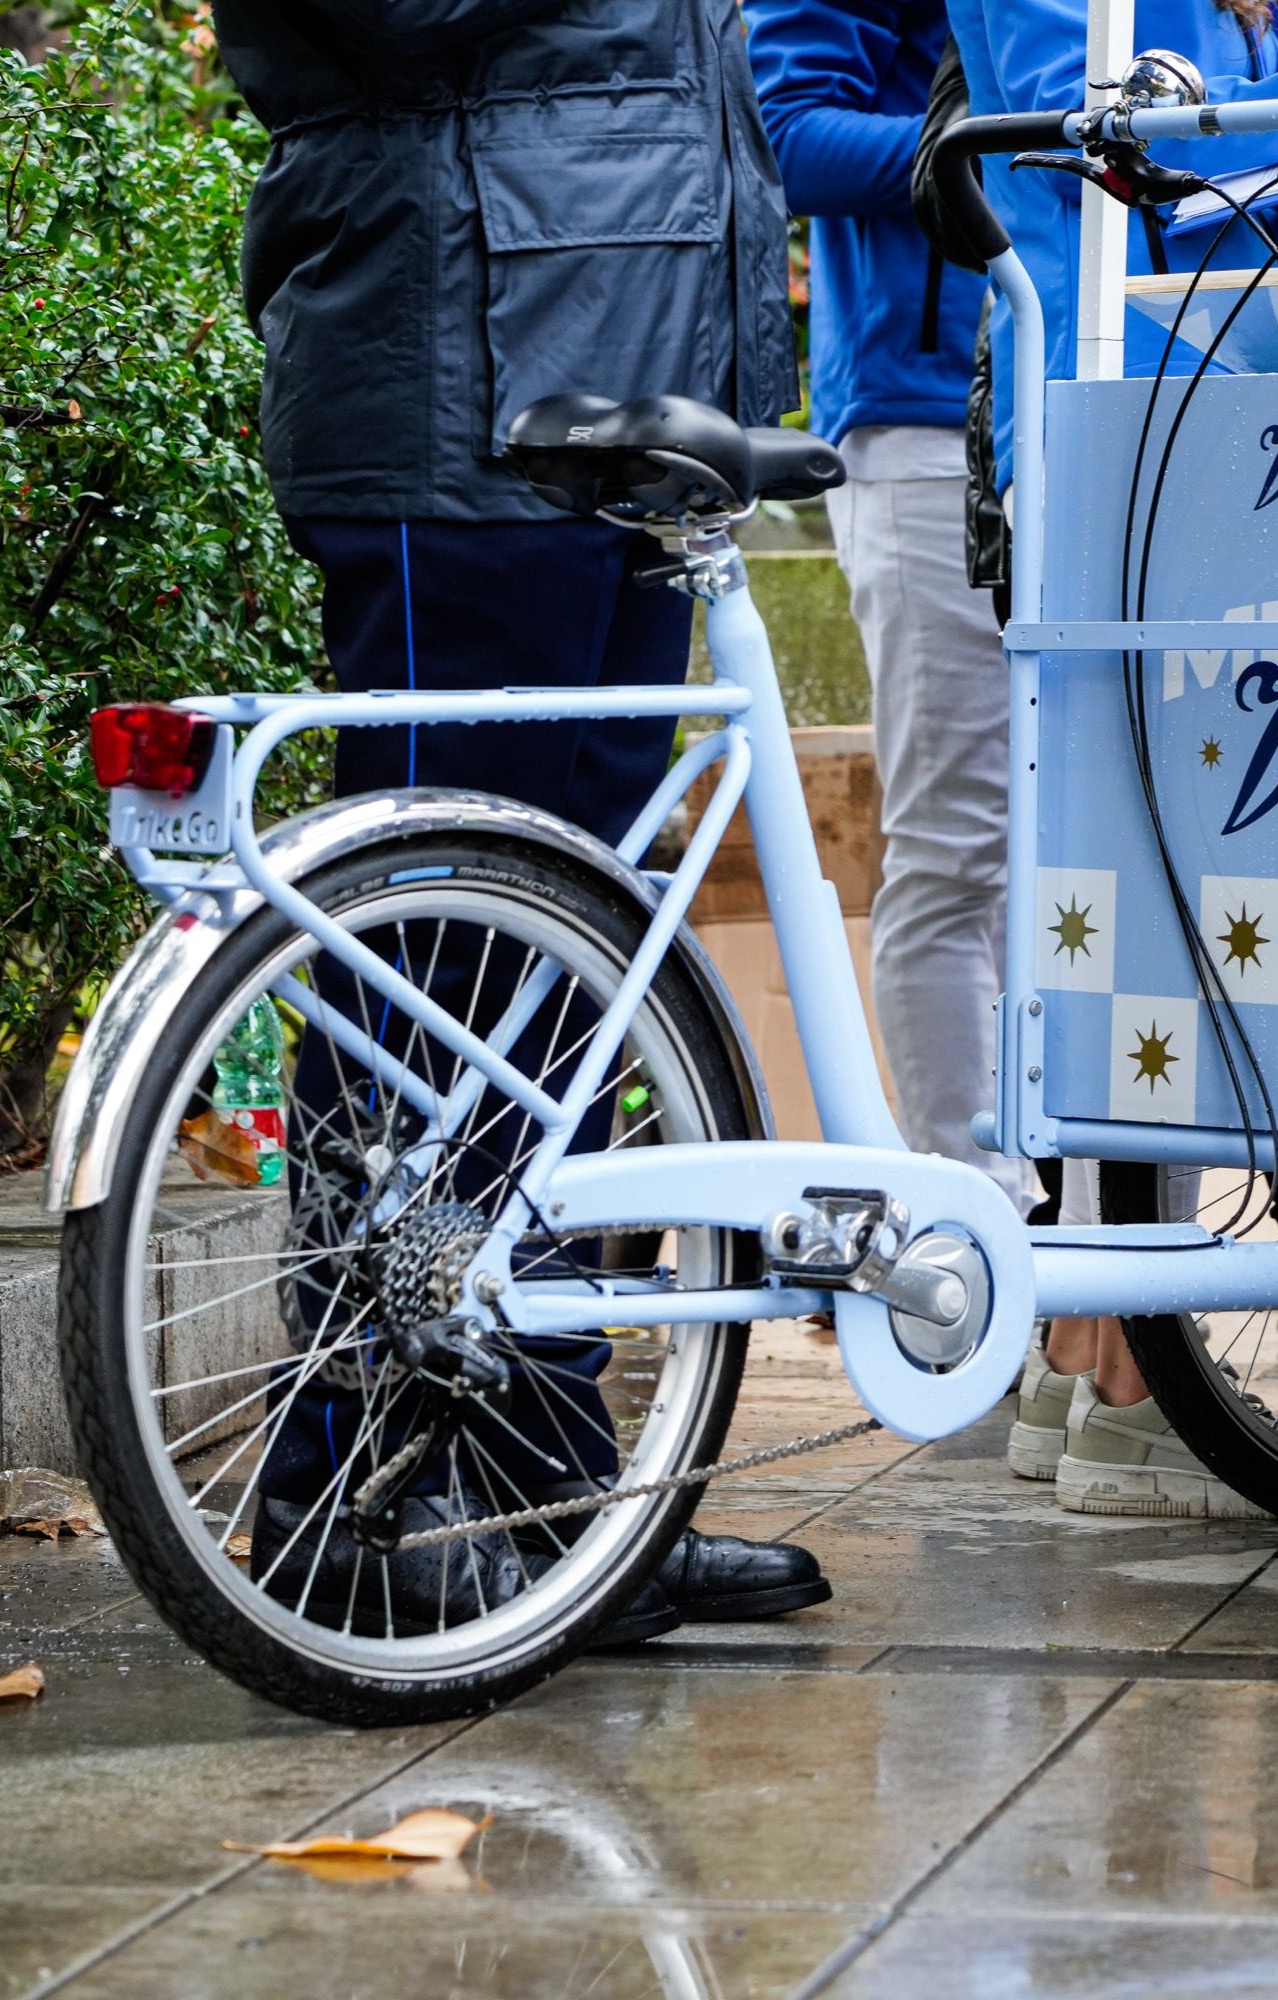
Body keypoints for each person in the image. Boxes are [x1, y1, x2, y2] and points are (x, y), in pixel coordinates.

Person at [209, 0, 830, 1633]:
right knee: (431, 970)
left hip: (616, 386)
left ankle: (558, 1496)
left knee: (561, 987)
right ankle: (354, 1492)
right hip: (463, 386)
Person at [941, 0, 1278, 1515]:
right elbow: (1117, 137)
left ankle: (1087, 1357)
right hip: (1134, 412)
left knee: (1149, 891)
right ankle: (1122, 1389)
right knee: (1155, 901)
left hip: (1175, 405)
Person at [743, 0, 1029, 1217]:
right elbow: (785, 133)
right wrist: (994, 149)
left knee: (1074, 850)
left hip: (1097, 379)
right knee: (962, 837)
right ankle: (967, 1223)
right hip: (920, 418)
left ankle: (1071, 1235)